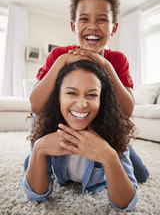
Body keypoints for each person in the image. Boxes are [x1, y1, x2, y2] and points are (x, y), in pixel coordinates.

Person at [29, 0, 148, 182]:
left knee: (141, 175)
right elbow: (35, 105)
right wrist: (60, 62)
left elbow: (127, 111)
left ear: (114, 28)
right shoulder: (59, 55)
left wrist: (106, 66)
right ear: (73, 26)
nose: (93, 26)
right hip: (66, 127)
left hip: (105, 133)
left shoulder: (117, 60)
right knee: (32, 167)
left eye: (102, 20)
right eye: (84, 19)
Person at [23, 60, 138, 211]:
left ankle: (131, 155)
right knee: (28, 164)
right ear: (58, 96)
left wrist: (110, 157)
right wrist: (38, 150)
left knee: (142, 173)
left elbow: (126, 205)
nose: (81, 104)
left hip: (116, 144)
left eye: (92, 95)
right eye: (71, 93)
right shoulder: (43, 122)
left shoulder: (115, 126)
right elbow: (35, 195)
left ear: (101, 99)